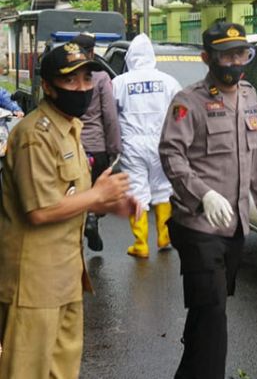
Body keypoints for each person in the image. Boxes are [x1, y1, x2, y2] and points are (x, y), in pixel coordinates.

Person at [0, 42, 141, 378]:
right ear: (47, 86)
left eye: (87, 80)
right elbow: (40, 211)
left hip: (66, 277)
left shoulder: (70, 129)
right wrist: (97, 196)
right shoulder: (35, 135)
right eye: (71, 81)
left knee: (61, 371)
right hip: (33, 284)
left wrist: (110, 201)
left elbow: (70, 195)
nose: (82, 88)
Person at [159, 21, 257, 379]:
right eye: (226, 56)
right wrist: (204, 194)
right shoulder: (188, 101)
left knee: (206, 311)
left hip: (235, 227)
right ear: (206, 58)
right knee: (213, 313)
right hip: (197, 225)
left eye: (240, 54)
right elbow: (171, 154)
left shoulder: (249, 96)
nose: (234, 62)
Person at [112, 33, 181, 258]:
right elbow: (181, 111)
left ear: (130, 57)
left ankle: (141, 244)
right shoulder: (169, 81)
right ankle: (164, 236)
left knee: (137, 191)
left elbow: (111, 113)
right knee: (163, 188)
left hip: (132, 142)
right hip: (162, 140)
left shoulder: (120, 82)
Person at [73, 32, 123, 252]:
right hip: (96, 147)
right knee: (95, 189)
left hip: (72, 146)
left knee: (73, 192)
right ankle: (92, 218)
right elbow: (110, 116)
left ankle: (78, 231)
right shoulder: (101, 77)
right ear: (92, 52)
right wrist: (114, 148)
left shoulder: (68, 75)